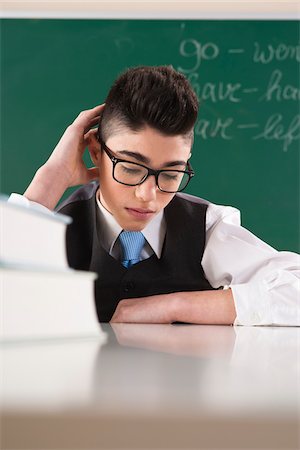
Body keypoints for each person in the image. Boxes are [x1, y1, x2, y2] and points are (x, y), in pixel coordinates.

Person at [10, 65, 299, 325]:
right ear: (96, 152)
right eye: (131, 168)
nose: (148, 195)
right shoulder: (48, 228)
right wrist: (48, 182)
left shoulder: (205, 228)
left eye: (171, 174)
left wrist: (174, 305)